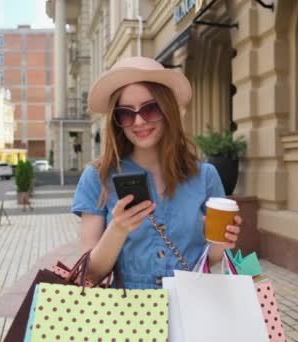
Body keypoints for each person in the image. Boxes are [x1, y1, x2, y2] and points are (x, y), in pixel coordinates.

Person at [71, 56, 242, 289]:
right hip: (127, 314)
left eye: (150, 109)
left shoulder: (205, 176)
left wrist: (223, 244)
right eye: (126, 113)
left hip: (189, 306)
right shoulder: (98, 177)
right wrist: (118, 229)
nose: (139, 121)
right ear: (116, 120)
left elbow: (209, 260)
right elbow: (90, 273)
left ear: (167, 109)